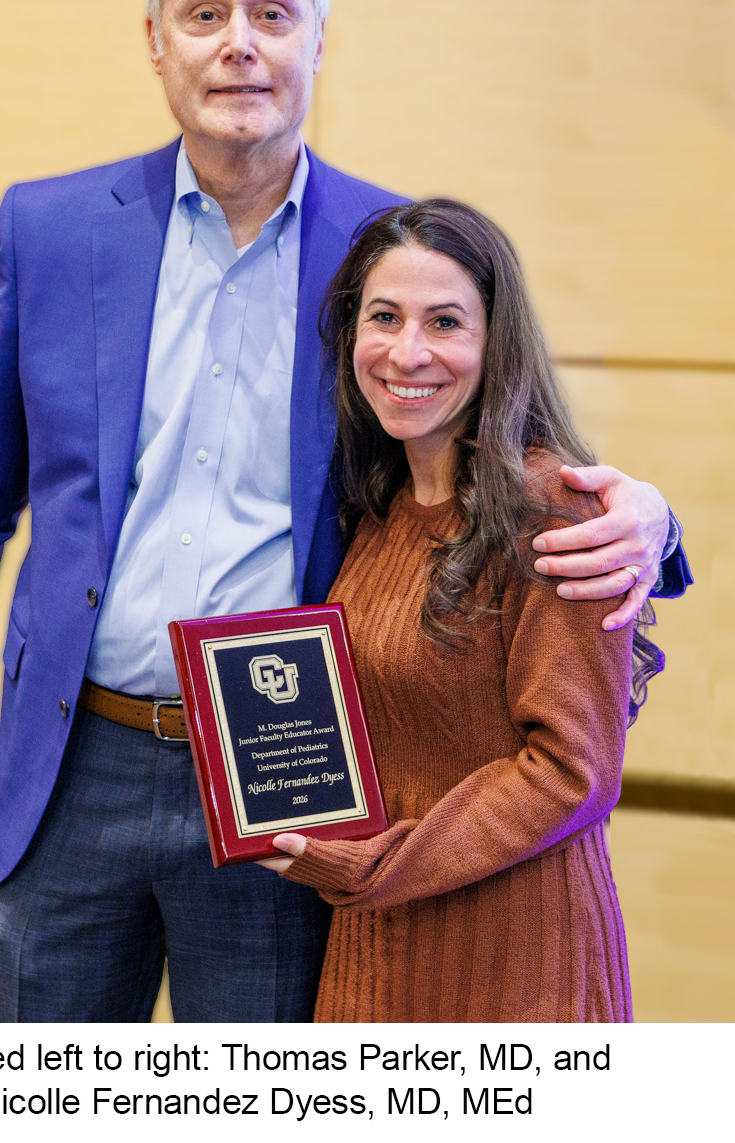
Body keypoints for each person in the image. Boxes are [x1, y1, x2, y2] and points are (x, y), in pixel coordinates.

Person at [0, 0, 689, 1023]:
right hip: (74, 760)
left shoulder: (390, 251)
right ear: (156, 42)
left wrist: (655, 518)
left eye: (273, 14)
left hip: (286, 769)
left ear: (320, 41)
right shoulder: (50, 233)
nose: (240, 42)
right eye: (206, 14)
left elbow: (497, 439)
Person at [261, 198, 664, 1021]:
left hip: (517, 962)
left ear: (495, 343)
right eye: (384, 318)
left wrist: (373, 866)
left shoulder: (552, 510)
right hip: (378, 952)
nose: (407, 352)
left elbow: (572, 770)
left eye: (445, 322)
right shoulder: (378, 510)